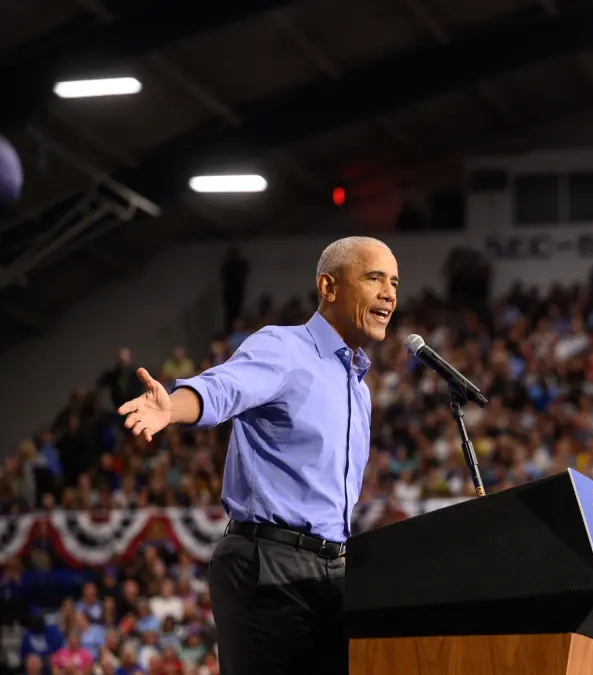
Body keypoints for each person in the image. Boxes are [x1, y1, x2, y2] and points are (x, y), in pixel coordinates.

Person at [116, 236, 399, 675]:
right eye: (374, 278)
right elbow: (222, 388)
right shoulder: (284, 348)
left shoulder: (358, 389)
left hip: (333, 572)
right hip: (268, 564)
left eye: (394, 283)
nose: (389, 294)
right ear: (328, 287)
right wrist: (171, 407)